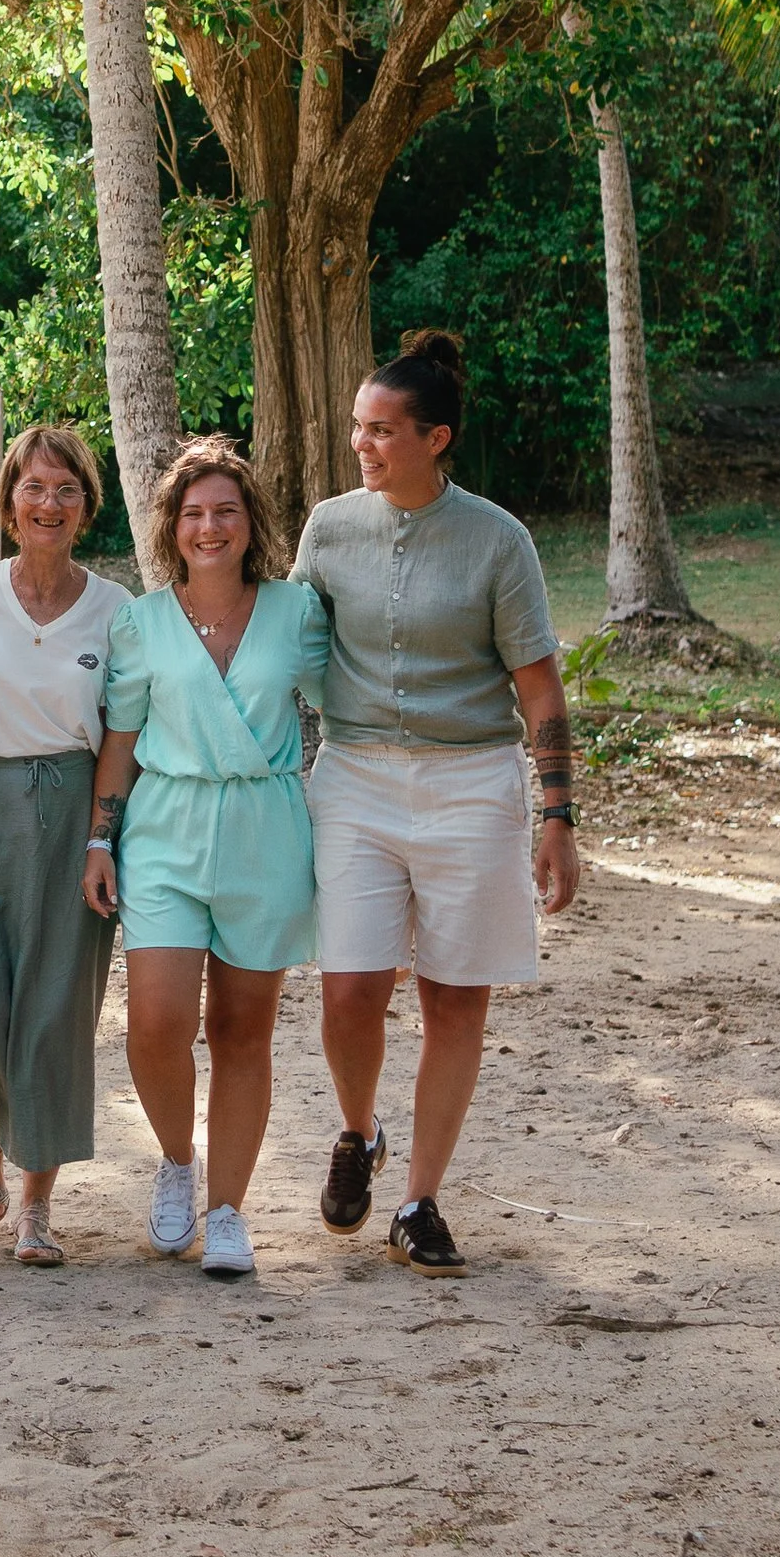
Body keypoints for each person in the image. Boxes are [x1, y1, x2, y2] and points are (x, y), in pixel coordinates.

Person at [295, 326, 582, 1277]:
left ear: (436, 438)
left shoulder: (500, 541)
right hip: (355, 777)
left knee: (455, 998)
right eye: (358, 427)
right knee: (349, 989)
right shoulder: (330, 528)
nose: (363, 444)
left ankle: (418, 1201)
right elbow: (289, 646)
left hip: (472, 784)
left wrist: (557, 818)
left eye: (382, 430)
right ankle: (359, 1131)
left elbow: (540, 688)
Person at [83, 438, 328, 1281]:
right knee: (156, 1024)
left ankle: (227, 1211)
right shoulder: (141, 622)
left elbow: (349, 708)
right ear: (172, 528)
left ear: (250, 521)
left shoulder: (297, 613)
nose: (210, 527)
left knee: (240, 1030)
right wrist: (99, 838)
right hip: (165, 829)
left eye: (226, 510)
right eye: (193, 513)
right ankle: (177, 1163)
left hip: (266, 828)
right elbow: (120, 742)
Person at [0, 422, 126, 1269]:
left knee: (53, 1014)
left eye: (66, 490)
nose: (49, 503)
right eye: (34, 488)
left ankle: (36, 1205)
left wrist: (101, 836)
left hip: (74, 814)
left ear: (86, 505)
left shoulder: (115, 609)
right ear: (9, 503)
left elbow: (122, 733)